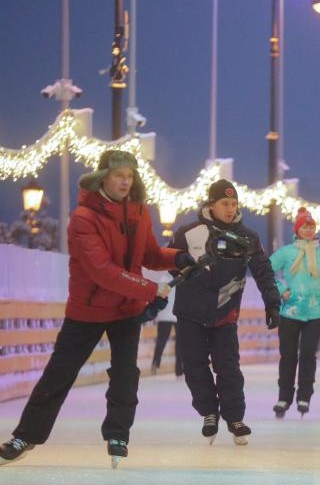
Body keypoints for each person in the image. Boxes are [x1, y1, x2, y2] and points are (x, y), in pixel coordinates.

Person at [0, 150, 188, 467]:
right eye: (119, 175)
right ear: (104, 178)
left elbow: (150, 254)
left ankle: (118, 434)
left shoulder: (139, 211)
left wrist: (178, 258)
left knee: (126, 374)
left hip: (126, 309)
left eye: (130, 175)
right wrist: (150, 288)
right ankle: (26, 435)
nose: (126, 181)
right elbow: (102, 270)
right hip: (88, 310)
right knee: (59, 374)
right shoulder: (84, 219)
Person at [169, 179, 281, 446]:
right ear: (212, 204)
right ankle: (209, 412)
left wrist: (272, 302)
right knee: (195, 366)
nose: (230, 209)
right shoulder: (188, 232)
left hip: (225, 313)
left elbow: (263, 271)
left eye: (234, 204)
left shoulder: (247, 238)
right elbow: (169, 261)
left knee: (228, 367)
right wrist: (187, 271)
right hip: (190, 313)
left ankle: (234, 418)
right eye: (225, 203)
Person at [269, 207, 320, 419]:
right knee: (288, 356)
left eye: (311, 226)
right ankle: (284, 397)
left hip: (316, 314)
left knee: (308, 353)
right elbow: (265, 271)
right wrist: (282, 290)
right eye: (305, 226)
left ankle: (304, 396)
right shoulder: (286, 252)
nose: (308, 229)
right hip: (290, 313)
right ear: (297, 229)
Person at [149, 270, 182, 377]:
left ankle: (156, 363)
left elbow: (159, 296)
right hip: (176, 313)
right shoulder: (181, 279)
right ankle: (179, 370)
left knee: (162, 340)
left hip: (166, 314)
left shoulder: (163, 279)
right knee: (179, 343)